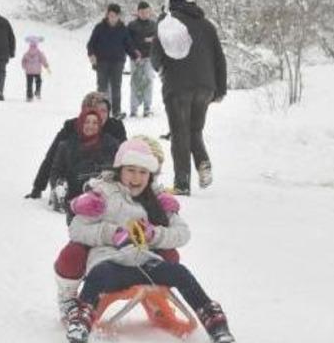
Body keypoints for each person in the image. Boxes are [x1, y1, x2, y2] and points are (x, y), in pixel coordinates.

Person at [62, 138, 235, 343]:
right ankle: (81, 319)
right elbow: (77, 229)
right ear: (120, 169)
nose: (136, 178)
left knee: (180, 273)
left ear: (150, 175)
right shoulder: (103, 194)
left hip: (146, 262)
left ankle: (214, 322)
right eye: (131, 170)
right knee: (99, 274)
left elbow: (182, 233)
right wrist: (112, 233)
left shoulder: (156, 199)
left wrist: (154, 234)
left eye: (143, 172)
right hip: (111, 263)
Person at [151, 0, 227, 194]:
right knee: (194, 130)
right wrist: (220, 89)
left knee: (179, 132)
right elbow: (219, 57)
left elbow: (155, 58)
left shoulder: (167, 22)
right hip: (205, 87)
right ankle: (203, 162)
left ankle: (182, 183)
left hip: (177, 86)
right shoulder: (206, 24)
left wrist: (159, 67)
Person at [25, 92, 127, 199]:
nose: (101, 115)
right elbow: (51, 157)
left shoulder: (115, 128)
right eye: (97, 110)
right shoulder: (71, 128)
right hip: (74, 175)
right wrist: (38, 188)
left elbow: (125, 158)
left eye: (104, 111)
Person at [49, 108, 120, 219]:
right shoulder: (67, 145)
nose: (90, 126)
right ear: (81, 123)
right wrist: (58, 185)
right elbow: (56, 171)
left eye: (95, 123)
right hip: (74, 198)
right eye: (87, 122)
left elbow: (117, 167)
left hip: (103, 196)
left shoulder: (110, 144)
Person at [87, 3, 139, 119]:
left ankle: (116, 112)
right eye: (110, 15)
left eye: (114, 15)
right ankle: (100, 111)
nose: (112, 18)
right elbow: (91, 44)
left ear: (119, 16)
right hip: (102, 62)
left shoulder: (123, 29)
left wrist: (135, 56)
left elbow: (128, 46)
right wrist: (91, 55)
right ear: (107, 15)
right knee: (102, 87)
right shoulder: (99, 28)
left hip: (118, 62)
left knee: (116, 87)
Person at [127, 1, 158, 117]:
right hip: (135, 58)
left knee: (149, 81)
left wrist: (152, 40)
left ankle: (147, 108)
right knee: (135, 82)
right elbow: (127, 42)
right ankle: (133, 109)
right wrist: (135, 52)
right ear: (138, 12)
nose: (144, 14)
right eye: (142, 12)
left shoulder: (154, 25)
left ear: (149, 12)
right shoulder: (132, 25)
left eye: (146, 12)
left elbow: (158, 40)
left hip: (149, 58)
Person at [21, 36, 49, 102]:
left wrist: (24, 67)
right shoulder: (39, 53)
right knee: (38, 81)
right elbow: (43, 60)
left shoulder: (27, 53)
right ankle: (37, 91)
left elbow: (23, 61)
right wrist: (46, 66)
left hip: (29, 72)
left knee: (29, 84)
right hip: (37, 71)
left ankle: (29, 96)